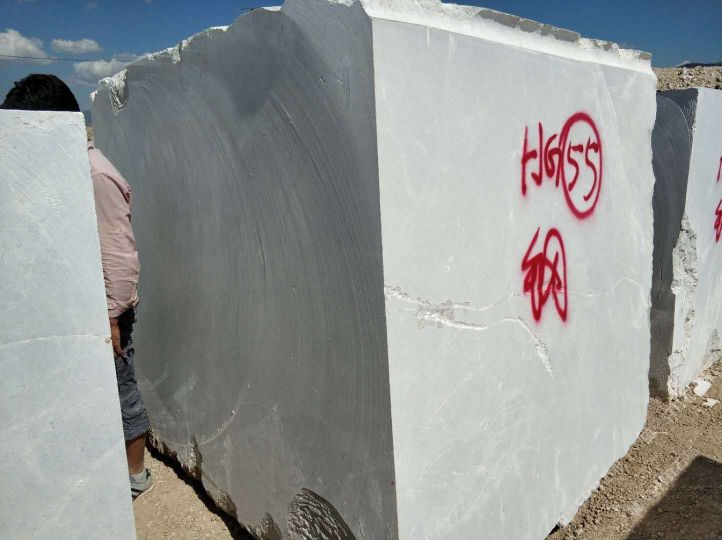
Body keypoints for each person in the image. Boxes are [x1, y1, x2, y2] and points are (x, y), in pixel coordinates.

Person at [1, 74, 152, 498]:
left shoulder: (95, 174)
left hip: (108, 311)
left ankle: (136, 476)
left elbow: (120, 257)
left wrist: (111, 317)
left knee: (120, 388)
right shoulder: (61, 168)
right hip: (81, 303)